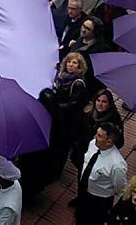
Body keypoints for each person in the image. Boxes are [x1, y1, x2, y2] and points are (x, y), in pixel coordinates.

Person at [75, 122, 127, 225]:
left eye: (99, 135)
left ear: (108, 142)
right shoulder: (93, 143)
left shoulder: (117, 165)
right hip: (84, 190)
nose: (95, 137)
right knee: (80, 217)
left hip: (99, 200)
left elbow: (120, 187)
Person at [48, 52, 88, 181]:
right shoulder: (61, 78)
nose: (70, 65)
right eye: (69, 62)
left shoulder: (77, 83)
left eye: (74, 63)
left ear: (79, 66)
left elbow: (74, 105)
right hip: (57, 118)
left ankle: (56, 172)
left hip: (68, 122)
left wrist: (56, 105)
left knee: (62, 147)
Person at [72, 89, 123, 171]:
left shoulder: (114, 121)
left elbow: (119, 142)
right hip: (82, 153)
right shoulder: (88, 113)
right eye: (98, 100)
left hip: (99, 156)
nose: (100, 104)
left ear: (109, 104)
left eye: (104, 102)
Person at [68, 17, 109, 93]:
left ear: (95, 32)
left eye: (88, 29)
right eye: (83, 26)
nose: (83, 30)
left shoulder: (99, 50)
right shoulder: (79, 39)